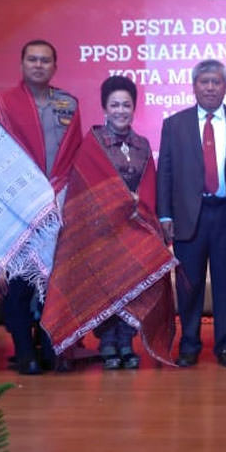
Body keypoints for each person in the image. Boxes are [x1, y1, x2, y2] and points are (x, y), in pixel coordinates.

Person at [42, 76, 177, 370]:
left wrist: (140, 205)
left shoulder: (142, 145)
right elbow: (84, 185)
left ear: (134, 108)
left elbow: (150, 186)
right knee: (106, 285)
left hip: (134, 227)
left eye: (126, 105)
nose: (120, 111)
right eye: (114, 105)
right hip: (100, 230)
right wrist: (116, 200)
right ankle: (107, 344)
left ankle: (126, 342)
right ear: (105, 108)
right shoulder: (92, 143)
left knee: (130, 286)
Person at [0, 39, 82, 375]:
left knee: (54, 284)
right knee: (20, 285)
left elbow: (75, 155)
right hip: (18, 207)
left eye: (45, 60)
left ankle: (50, 347)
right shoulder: (5, 103)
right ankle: (24, 351)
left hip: (57, 207)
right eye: (32, 59)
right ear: (22, 64)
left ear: (55, 67)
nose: (39, 65)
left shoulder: (68, 104)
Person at [157, 59, 226, 368]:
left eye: (216, 82)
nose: (210, 87)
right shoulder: (174, 124)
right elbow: (165, 173)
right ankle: (189, 345)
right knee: (189, 285)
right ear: (194, 86)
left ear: (225, 87)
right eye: (204, 82)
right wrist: (165, 216)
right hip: (189, 216)